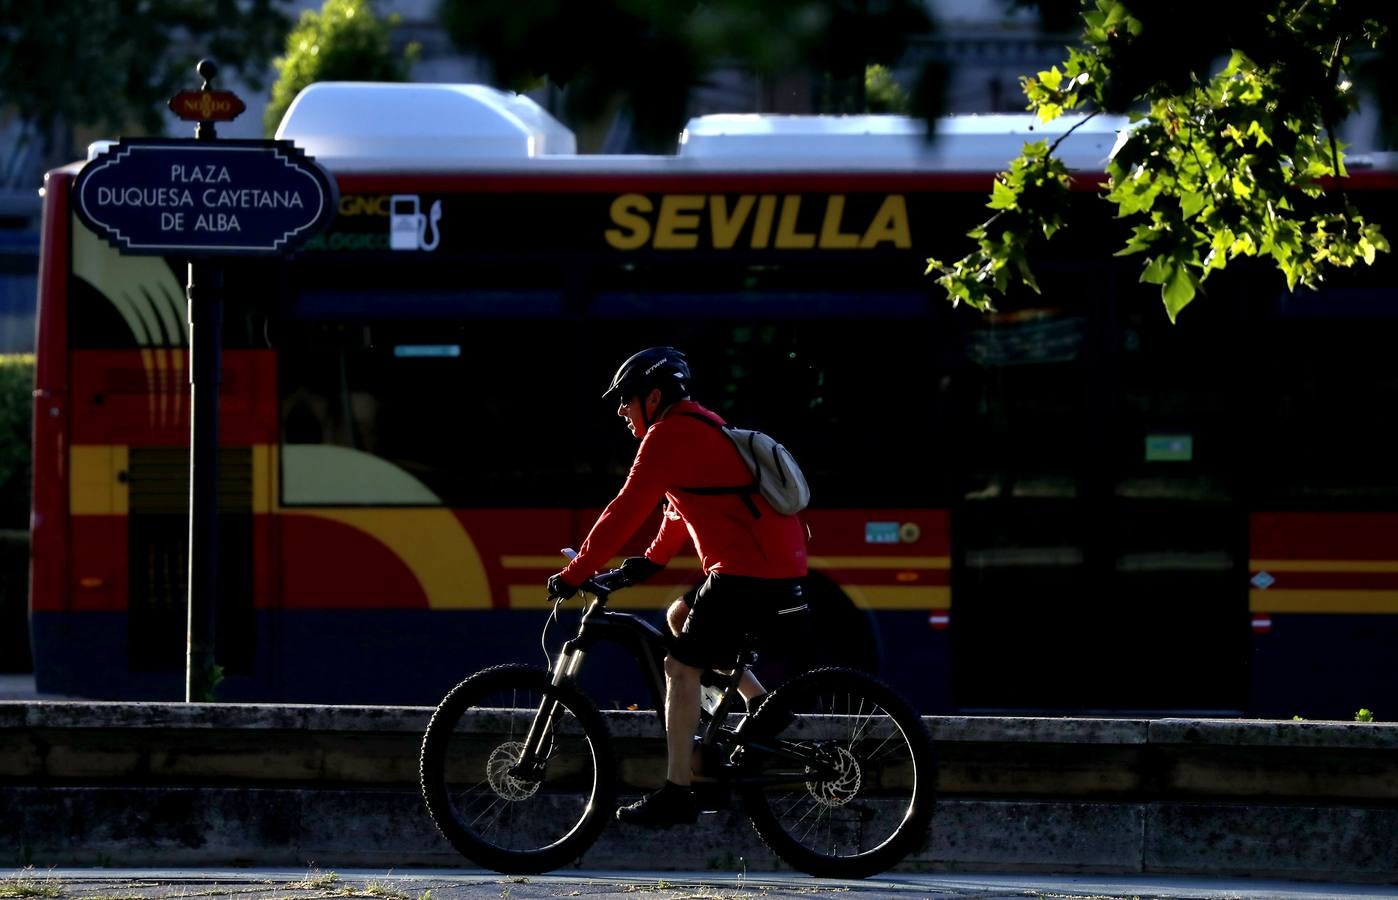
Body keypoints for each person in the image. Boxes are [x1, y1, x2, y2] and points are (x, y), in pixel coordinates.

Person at [546, 346, 809, 827]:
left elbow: (624, 509)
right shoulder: (701, 424)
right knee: (678, 617)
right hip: (768, 567)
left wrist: (577, 571)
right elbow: (679, 508)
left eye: (626, 399)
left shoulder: (668, 435)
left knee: (679, 667)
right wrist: (644, 565)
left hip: (746, 573)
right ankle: (760, 706)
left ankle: (676, 792)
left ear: (653, 396)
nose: (621, 410)